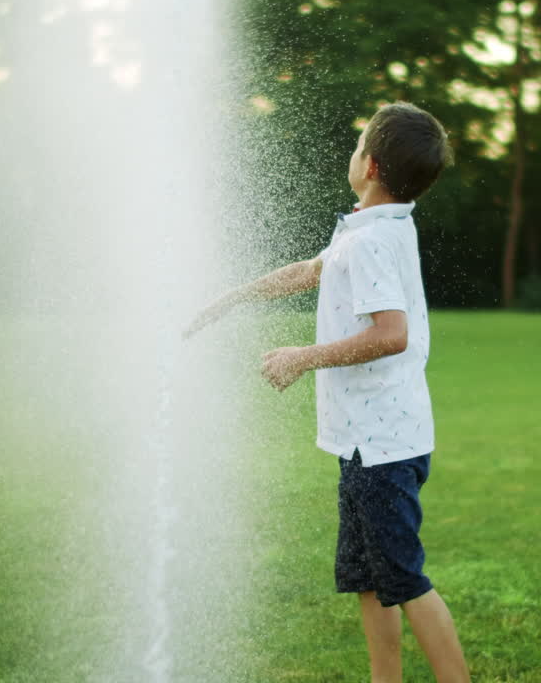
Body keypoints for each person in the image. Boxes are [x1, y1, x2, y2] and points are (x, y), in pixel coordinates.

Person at [185, 102, 469, 682]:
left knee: (407, 580)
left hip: (383, 447)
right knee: (370, 580)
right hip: (369, 443)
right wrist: (233, 298)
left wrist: (302, 358)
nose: (353, 152)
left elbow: (391, 334)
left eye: (358, 143)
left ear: (370, 165)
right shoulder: (375, 227)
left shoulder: (370, 241)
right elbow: (308, 272)